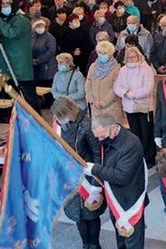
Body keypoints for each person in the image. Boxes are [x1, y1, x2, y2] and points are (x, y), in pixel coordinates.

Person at [86, 114, 148, 249]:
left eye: (102, 136)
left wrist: (95, 169)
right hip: (115, 198)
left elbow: (121, 176)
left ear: (113, 128)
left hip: (130, 200)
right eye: (97, 137)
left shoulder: (131, 144)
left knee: (133, 242)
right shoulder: (107, 138)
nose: (99, 140)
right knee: (120, 237)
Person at [51, 97, 105, 249]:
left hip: (88, 178)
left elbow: (96, 155)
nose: (58, 119)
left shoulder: (86, 125)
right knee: (78, 216)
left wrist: (95, 184)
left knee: (91, 214)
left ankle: (94, 245)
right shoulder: (59, 127)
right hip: (70, 178)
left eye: (61, 115)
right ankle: (85, 244)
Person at [0, 0, 38, 109]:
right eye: (3, 4)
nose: (5, 6)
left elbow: (11, 33)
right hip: (7, 65)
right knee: (14, 100)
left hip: (20, 66)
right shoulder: (6, 20)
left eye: (8, 3)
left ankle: (36, 123)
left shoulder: (21, 19)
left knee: (28, 99)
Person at [114, 47, 156, 167]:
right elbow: (117, 86)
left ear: (139, 56)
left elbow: (148, 88)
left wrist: (131, 94)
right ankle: (138, 157)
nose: (131, 59)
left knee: (146, 133)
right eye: (128, 57)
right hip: (129, 108)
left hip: (144, 107)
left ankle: (149, 159)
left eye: (133, 56)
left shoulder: (146, 69)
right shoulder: (123, 70)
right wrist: (125, 92)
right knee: (135, 133)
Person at [85, 41, 125, 123]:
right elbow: (88, 82)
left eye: (104, 53)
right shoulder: (93, 66)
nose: (101, 55)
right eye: (100, 52)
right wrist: (92, 100)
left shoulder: (117, 68)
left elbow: (115, 88)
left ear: (111, 53)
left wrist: (103, 103)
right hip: (95, 107)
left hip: (111, 107)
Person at [31, 19, 57, 90]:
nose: (40, 28)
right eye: (38, 26)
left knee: (46, 89)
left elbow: (51, 52)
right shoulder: (32, 37)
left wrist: (38, 61)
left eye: (42, 26)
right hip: (35, 68)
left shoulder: (50, 38)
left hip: (47, 67)